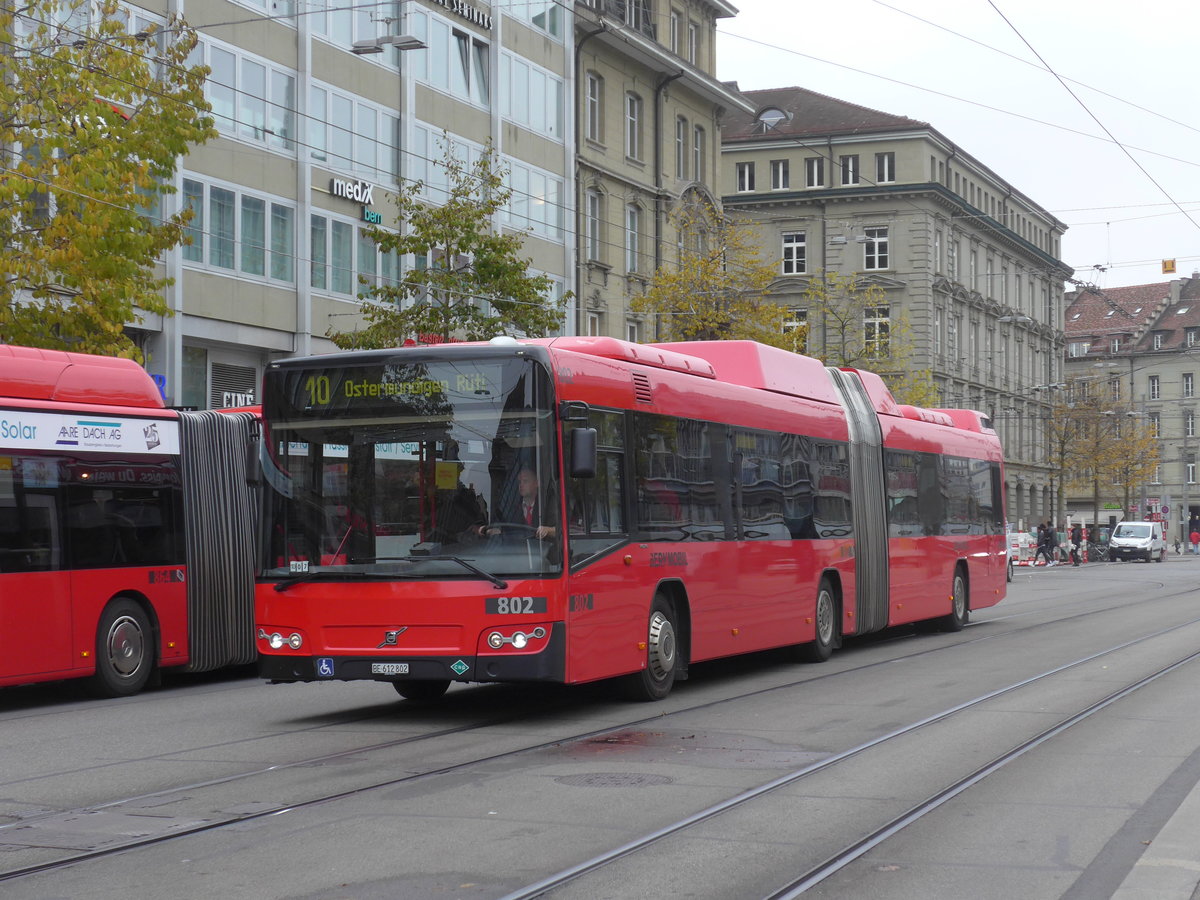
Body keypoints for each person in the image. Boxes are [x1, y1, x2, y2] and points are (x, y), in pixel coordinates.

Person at [488, 467, 557, 540]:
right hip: (516, 550)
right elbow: (495, 526)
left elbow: (559, 530)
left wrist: (547, 530)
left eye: (525, 481)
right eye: (519, 482)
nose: (521, 485)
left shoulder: (546, 505)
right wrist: (493, 530)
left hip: (542, 550)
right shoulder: (509, 509)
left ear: (537, 483)